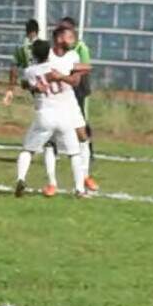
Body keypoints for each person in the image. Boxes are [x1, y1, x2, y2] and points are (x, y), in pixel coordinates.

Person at [15, 35, 88, 198]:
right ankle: (79, 189)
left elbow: (24, 83)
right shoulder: (58, 66)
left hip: (44, 115)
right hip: (64, 115)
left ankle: (21, 178)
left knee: (28, 150)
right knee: (74, 153)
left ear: (34, 55)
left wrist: (32, 86)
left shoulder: (29, 71)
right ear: (49, 53)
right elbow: (76, 74)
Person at [57, 17, 99, 192]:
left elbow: (85, 67)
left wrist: (72, 77)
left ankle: (88, 157)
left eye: (67, 31)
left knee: (81, 124)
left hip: (78, 89)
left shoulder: (80, 48)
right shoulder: (55, 50)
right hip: (61, 91)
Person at [3, 19, 38, 106]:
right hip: (45, 82)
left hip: (31, 82)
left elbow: (14, 67)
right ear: (37, 31)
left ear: (26, 31)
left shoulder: (21, 47)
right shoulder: (45, 44)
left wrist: (10, 89)